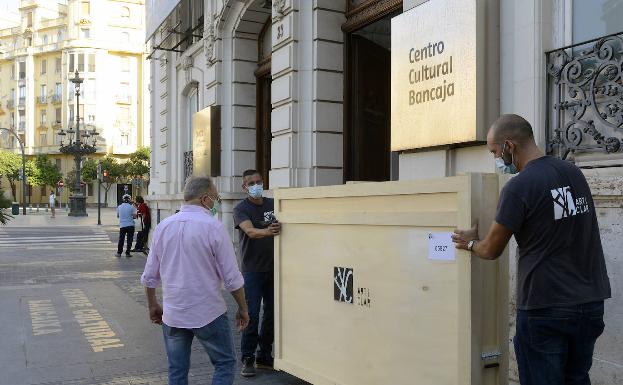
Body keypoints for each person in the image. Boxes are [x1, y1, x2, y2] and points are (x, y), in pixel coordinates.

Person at [452, 114, 611, 385]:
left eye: (494, 151)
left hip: (545, 307)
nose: (496, 160)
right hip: (589, 304)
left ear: (509, 146)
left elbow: (490, 250)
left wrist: (468, 243)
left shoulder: (519, 187)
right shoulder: (573, 173)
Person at [141, 176, 249, 385]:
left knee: (177, 371)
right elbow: (232, 278)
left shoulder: (164, 227)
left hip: (173, 313)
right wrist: (243, 308)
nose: (216, 202)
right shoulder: (213, 227)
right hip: (208, 312)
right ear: (205, 199)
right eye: (216, 198)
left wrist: (152, 304)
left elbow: (149, 275)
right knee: (225, 363)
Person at [233, 169, 281, 377]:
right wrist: (268, 231)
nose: (256, 185)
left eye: (259, 181)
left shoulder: (273, 203)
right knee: (251, 314)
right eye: (251, 183)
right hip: (252, 270)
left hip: (275, 268)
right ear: (244, 187)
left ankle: (264, 354)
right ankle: (248, 357)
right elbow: (250, 231)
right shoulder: (240, 209)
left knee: (272, 313)